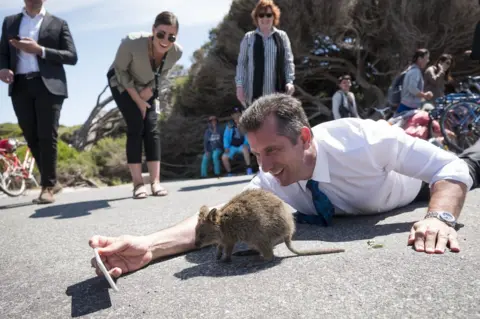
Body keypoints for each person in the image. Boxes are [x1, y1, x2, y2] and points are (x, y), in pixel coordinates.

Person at [89, 93, 479, 279]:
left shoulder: (365, 140)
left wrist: (439, 217)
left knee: (470, 165)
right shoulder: (270, 178)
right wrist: (149, 246)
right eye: (258, 154)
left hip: (413, 188)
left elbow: (447, 168)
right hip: (361, 199)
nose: (266, 166)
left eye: (273, 150)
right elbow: (212, 219)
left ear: (305, 138)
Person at [0, 0, 78, 204]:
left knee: (47, 135)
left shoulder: (59, 23)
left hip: (49, 86)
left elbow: (72, 56)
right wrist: (3, 68)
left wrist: (39, 50)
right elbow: (3, 54)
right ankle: (51, 180)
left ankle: (48, 186)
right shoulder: (9, 22)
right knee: (31, 135)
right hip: (20, 87)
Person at [107, 11, 183, 199]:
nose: (165, 40)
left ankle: (155, 182)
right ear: (153, 30)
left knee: (152, 127)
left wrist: (149, 91)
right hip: (122, 82)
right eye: (161, 34)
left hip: (148, 86)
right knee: (136, 123)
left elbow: (164, 73)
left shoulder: (176, 52)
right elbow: (120, 71)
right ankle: (138, 184)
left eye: (171, 36)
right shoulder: (131, 42)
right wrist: (138, 100)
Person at [235, 0, 295, 108]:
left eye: (269, 15)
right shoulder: (249, 37)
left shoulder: (282, 36)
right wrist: (239, 86)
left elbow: (288, 61)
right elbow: (241, 64)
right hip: (253, 97)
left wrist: (289, 81)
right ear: (256, 18)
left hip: (278, 96)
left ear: (274, 17)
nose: (265, 18)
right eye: (261, 15)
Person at [396, 48, 434, 115]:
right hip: (408, 108)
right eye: (426, 58)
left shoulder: (412, 69)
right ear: (419, 59)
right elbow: (412, 88)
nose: (428, 61)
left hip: (407, 105)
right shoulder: (415, 72)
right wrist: (424, 95)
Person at [222, 108, 253, 176]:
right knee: (224, 157)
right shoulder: (230, 125)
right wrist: (226, 147)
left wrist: (246, 144)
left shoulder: (245, 124)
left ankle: (249, 168)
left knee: (245, 149)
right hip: (232, 147)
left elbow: (248, 135)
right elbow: (226, 137)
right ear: (232, 116)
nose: (236, 116)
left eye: (238, 114)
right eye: (235, 115)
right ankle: (229, 173)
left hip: (241, 145)